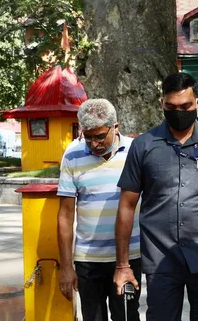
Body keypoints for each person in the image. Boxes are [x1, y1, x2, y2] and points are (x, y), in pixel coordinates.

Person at [114, 73, 198, 321]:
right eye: (172, 107)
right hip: (161, 261)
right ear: (162, 104)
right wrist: (122, 266)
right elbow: (126, 206)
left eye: (186, 106)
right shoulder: (144, 146)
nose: (179, 112)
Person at [57, 99, 141, 321]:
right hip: (88, 261)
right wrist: (66, 267)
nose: (94, 144)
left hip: (129, 258)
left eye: (100, 136)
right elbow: (65, 215)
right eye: (88, 137)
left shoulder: (136, 151)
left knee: (126, 316)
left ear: (116, 127)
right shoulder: (73, 154)